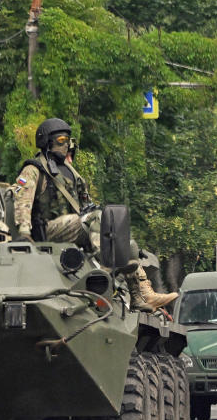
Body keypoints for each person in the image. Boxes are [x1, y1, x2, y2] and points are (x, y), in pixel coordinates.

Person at [13, 118, 176, 312]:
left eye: (68, 140)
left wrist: (113, 232)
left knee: (120, 234)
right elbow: (23, 201)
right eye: (61, 140)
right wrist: (24, 232)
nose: (66, 145)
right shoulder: (33, 169)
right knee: (99, 218)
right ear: (47, 142)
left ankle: (140, 294)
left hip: (76, 227)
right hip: (48, 230)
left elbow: (85, 204)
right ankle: (105, 268)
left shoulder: (71, 172)